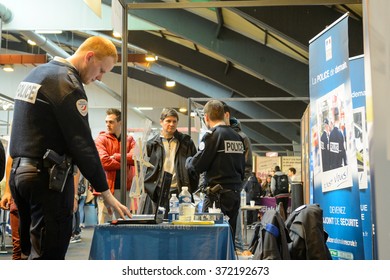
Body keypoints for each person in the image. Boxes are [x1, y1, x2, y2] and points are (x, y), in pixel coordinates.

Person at [8, 36, 131, 259]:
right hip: (46, 180)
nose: (100, 77)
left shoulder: (35, 74)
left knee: (28, 253)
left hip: (20, 175)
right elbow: (82, 145)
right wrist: (105, 193)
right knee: (49, 256)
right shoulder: (68, 85)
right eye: (101, 70)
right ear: (90, 56)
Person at [186, 100, 245, 239]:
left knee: (209, 239)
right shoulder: (237, 137)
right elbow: (243, 167)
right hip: (234, 195)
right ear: (224, 115)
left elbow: (196, 165)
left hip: (216, 197)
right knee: (228, 237)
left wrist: (188, 160)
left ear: (206, 117)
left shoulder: (212, 136)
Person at [143, 108, 198, 215]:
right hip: (158, 191)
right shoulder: (151, 144)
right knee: (159, 224)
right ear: (161, 122)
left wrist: (192, 188)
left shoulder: (186, 142)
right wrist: (149, 187)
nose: (171, 124)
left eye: (174, 121)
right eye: (168, 121)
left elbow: (194, 167)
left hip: (180, 191)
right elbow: (144, 168)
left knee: (180, 223)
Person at [221, 101, 253, 254]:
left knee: (234, 225)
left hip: (234, 189)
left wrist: (238, 186)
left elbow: (247, 166)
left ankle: (237, 250)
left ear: (226, 115)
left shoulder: (241, 137)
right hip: (216, 191)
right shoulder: (215, 134)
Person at [95, 108, 136, 223]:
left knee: (124, 222)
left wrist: (116, 156)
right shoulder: (100, 139)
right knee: (105, 223)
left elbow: (135, 158)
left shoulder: (130, 140)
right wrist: (125, 163)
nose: (108, 125)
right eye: (106, 122)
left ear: (120, 122)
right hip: (106, 189)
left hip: (125, 189)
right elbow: (105, 162)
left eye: (111, 122)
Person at [0, 156, 24, 259]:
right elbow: (12, 157)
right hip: (18, 192)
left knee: (42, 247)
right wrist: (7, 191)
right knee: (18, 246)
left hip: (47, 194)